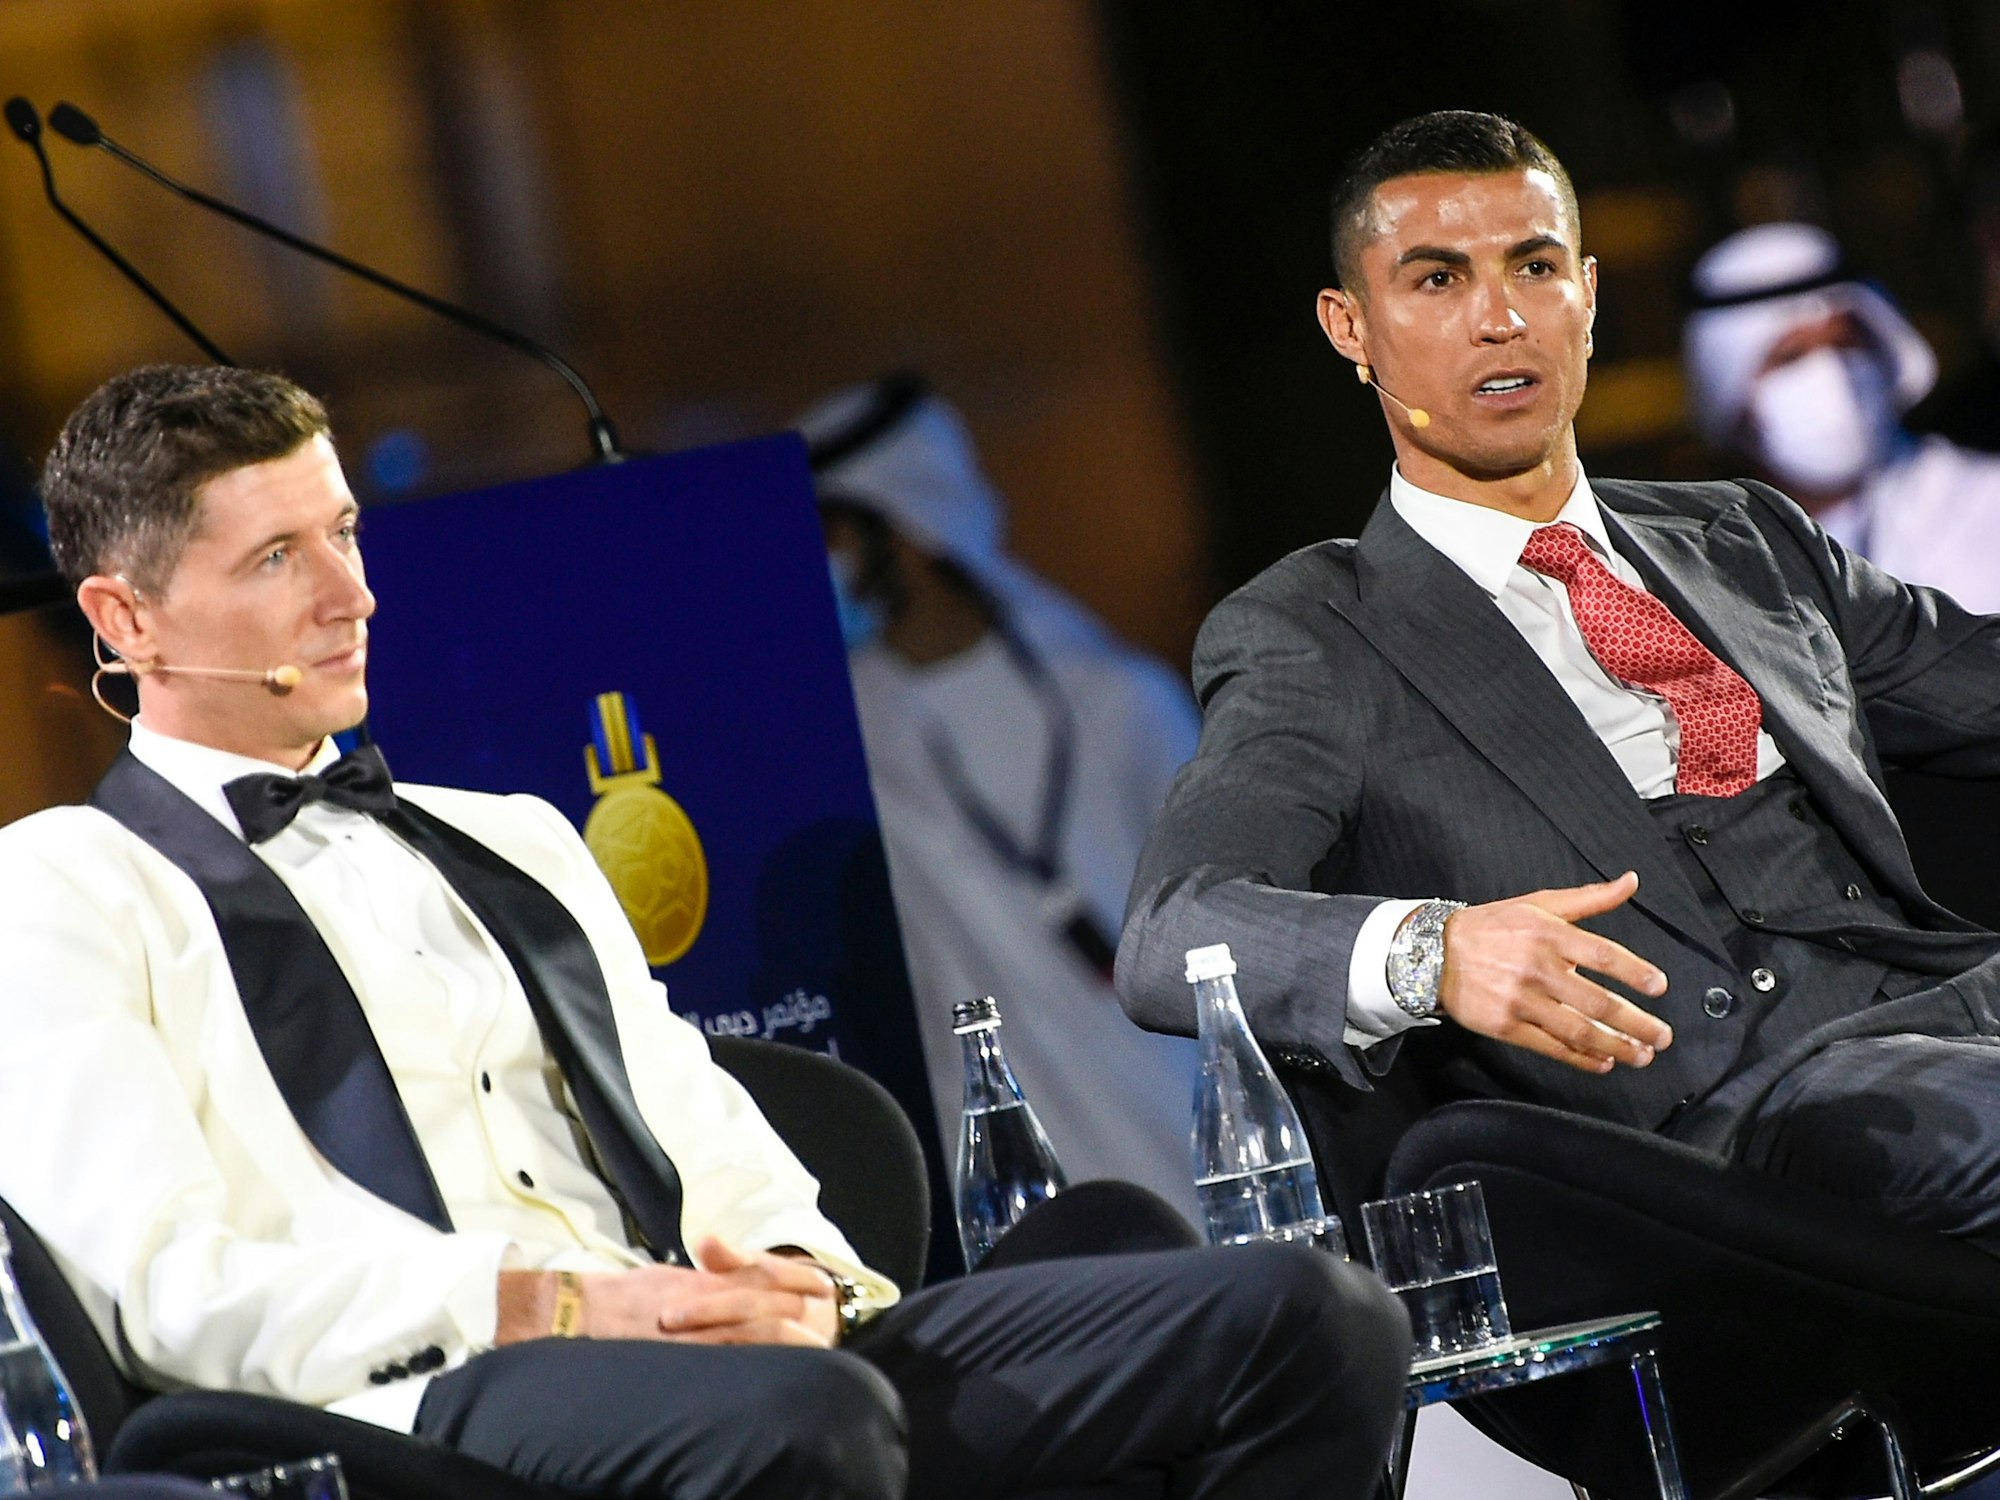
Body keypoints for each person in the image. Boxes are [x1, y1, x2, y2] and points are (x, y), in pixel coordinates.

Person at [0, 365, 1411, 1499]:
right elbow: (171, 1286)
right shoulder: (68, 887)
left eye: (348, 534)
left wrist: (787, 1273)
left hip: (748, 1354)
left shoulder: (513, 835)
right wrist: (559, 1307)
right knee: (808, 1427)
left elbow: (700, 1115)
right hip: (430, 1405)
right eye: (278, 558)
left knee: (1313, 1321)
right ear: (127, 617)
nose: (354, 593)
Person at [1117, 111, 2000, 1255]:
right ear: (1352, 327)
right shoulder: (1316, 634)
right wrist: (1435, 952)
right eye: (1435, 279)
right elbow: (1168, 935)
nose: (1498, 318)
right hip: (1733, 1127)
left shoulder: (1743, 539)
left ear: (1583, 294)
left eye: (1531, 267)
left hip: (1959, 1010)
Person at [797, 375, 1203, 1224]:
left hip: (1170, 1131)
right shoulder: (833, 742)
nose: (813, 563)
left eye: (831, 532)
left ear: (906, 533)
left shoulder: (1116, 704)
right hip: (996, 1188)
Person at [1684, 220, 2000, 612]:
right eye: (1791, 356)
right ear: (1736, 403)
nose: (1833, 375)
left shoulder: (1990, 502)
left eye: (1845, 344)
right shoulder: (1712, 579)